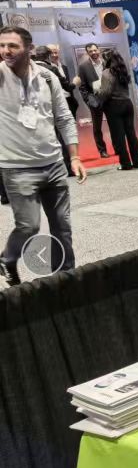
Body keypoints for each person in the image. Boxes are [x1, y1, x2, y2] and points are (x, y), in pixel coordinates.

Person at [0, 25, 87, 287]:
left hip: (55, 165)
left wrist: (74, 157)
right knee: (29, 226)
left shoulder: (48, 78)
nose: (6, 51)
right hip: (17, 168)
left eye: (12, 46)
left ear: (28, 48)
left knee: (62, 227)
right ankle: (7, 258)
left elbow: (64, 118)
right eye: (2, 45)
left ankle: (65, 280)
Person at [97, 49, 138, 171]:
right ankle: (137, 162)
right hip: (127, 103)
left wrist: (98, 93)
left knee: (119, 137)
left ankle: (125, 163)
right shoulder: (123, 70)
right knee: (131, 134)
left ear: (106, 59)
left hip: (114, 105)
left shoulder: (107, 72)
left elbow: (106, 92)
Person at [75, 42, 109, 158]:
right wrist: (89, 101)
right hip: (95, 101)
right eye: (90, 51)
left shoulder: (106, 62)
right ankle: (102, 150)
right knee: (97, 127)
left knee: (114, 124)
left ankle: (118, 147)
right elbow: (82, 87)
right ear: (87, 53)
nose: (94, 53)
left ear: (98, 50)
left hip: (109, 99)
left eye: (95, 50)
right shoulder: (83, 67)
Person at [44, 44, 77, 117]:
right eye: (51, 53)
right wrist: (75, 83)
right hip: (57, 103)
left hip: (69, 101)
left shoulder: (64, 67)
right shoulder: (46, 69)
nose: (54, 55)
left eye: (56, 52)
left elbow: (67, 85)